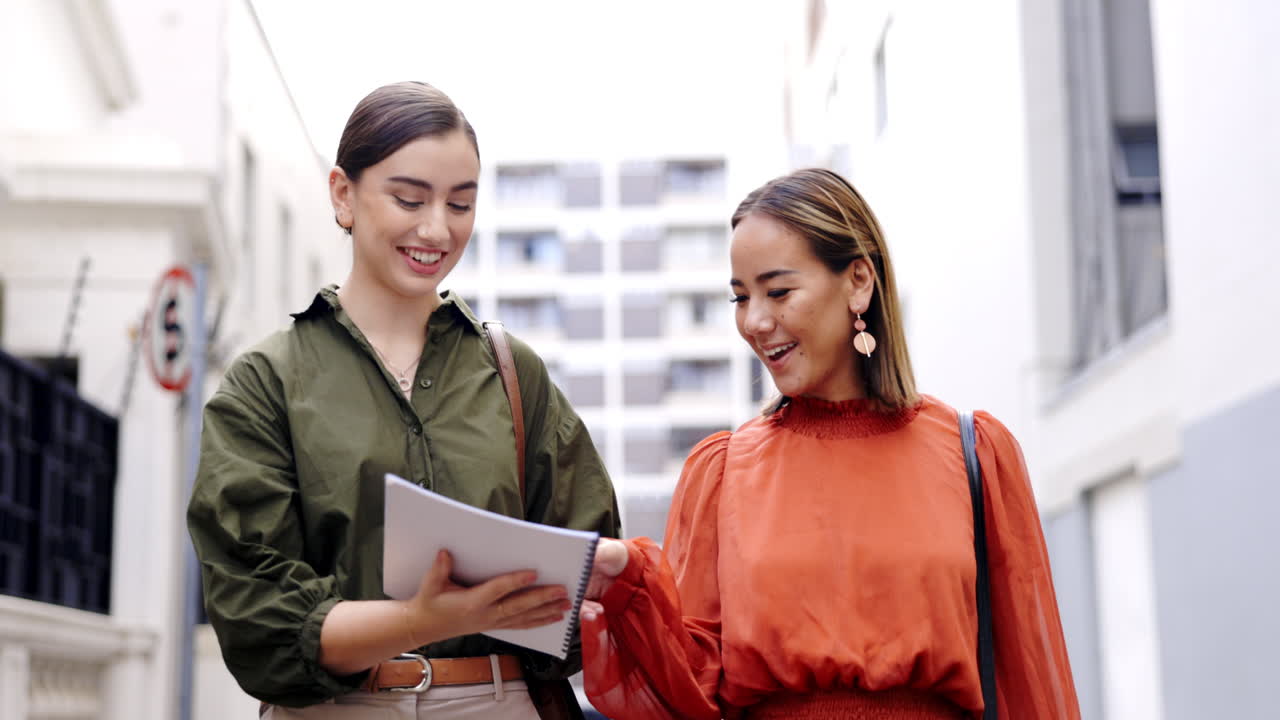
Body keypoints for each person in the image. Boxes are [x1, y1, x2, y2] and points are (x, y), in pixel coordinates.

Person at [579, 168, 1080, 719]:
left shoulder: (975, 453)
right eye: (740, 298)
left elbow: (1029, 682)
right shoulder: (723, 472)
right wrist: (628, 581)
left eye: (778, 291)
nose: (755, 321)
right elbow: (693, 686)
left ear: (859, 281)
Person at [187, 81, 620, 720]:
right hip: (338, 708)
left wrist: (600, 569)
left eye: (462, 204)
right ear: (344, 194)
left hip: (498, 703)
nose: (437, 228)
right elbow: (256, 615)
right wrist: (416, 620)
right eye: (409, 198)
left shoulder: (511, 371)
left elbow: (586, 563)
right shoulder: (267, 382)